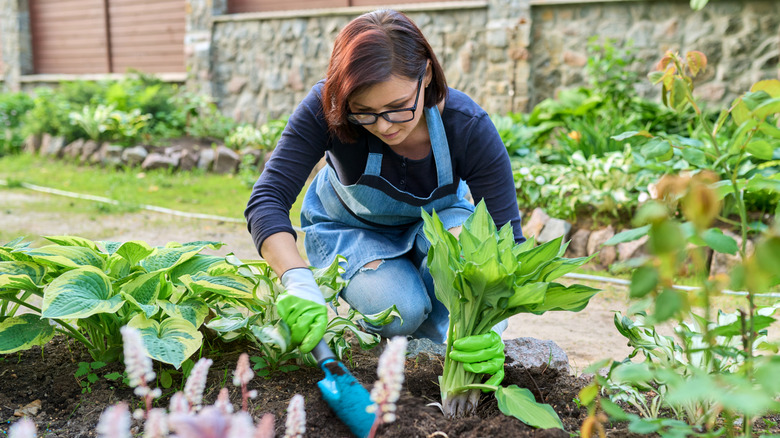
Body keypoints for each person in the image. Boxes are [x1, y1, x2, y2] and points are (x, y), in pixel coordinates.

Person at [245, 9, 523, 381]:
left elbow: (507, 236)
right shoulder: (325, 108)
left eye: (397, 108)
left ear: (425, 75)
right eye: (365, 113)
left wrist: (492, 325)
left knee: (463, 271)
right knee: (399, 311)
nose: (384, 126)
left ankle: (439, 351)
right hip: (350, 228)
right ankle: (407, 332)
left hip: (439, 223)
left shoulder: (466, 126)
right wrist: (297, 280)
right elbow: (267, 199)